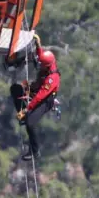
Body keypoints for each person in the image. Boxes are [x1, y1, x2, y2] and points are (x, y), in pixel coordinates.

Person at [11, 33, 60, 162]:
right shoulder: (47, 62)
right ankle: (23, 115)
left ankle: (34, 151)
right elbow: (41, 56)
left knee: (30, 123)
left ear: (47, 66)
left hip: (45, 100)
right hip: (37, 91)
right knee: (15, 89)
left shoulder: (52, 79)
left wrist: (27, 110)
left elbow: (40, 97)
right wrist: (38, 44)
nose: (40, 66)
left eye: (42, 65)